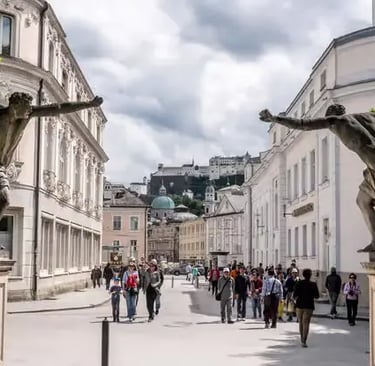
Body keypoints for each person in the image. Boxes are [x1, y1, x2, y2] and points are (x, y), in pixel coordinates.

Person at [259, 105, 375, 253]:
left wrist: (274, 118)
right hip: (371, 167)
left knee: (363, 202)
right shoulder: (366, 117)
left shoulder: (336, 121)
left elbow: (303, 124)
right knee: (362, 200)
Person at [293, 268, 320, 348]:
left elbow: (295, 295)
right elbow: (317, 296)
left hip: (299, 306)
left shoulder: (299, 283)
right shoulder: (313, 284)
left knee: (301, 322)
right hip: (309, 306)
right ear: (310, 275)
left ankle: (302, 339)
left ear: (303, 275)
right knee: (306, 323)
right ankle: (304, 340)